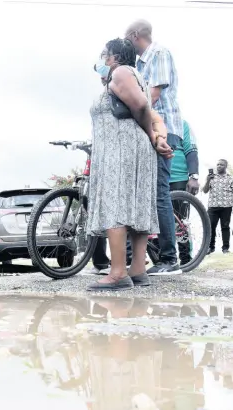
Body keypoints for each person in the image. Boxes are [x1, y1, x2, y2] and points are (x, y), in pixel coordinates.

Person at [87, 38, 173, 291]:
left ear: (115, 56)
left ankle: (117, 273)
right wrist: (158, 137)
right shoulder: (135, 77)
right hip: (131, 149)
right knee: (136, 205)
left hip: (122, 150)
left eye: (105, 55)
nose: (102, 60)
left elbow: (141, 106)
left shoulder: (122, 72)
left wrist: (152, 136)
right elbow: (154, 116)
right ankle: (137, 270)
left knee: (117, 204)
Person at [126, 19, 183, 276]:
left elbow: (152, 95)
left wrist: (129, 103)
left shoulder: (158, 53)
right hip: (149, 132)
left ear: (136, 35)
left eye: (127, 38)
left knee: (159, 193)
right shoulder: (137, 64)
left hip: (165, 129)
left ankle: (170, 259)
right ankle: (143, 257)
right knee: (146, 193)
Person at [167, 120, 200, 264]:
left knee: (181, 222)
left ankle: (186, 259)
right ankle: (164, 259)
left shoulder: (182, 124)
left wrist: (193, 176)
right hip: (156, 177)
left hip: (178, 177)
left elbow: (191, 149)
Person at [202, 159, 233, 254]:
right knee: (210, 227)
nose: (219, 166)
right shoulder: (211, 177)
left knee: (225, 227)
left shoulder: (230, 178)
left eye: (221, 165)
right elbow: (205, 190)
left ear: (226, 166)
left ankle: (225, 248)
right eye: (218, 164)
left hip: (226, 206)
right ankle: (210, 247)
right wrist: (208, 180)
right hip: (213, 206)